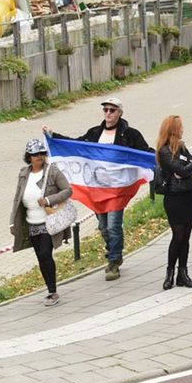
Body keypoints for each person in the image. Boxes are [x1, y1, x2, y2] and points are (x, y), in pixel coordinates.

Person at [45, 97, 151, 281]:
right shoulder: (94, 133)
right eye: (106, 110)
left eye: (112, 110)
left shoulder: (130, 134)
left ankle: (113, 262)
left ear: (120, 113)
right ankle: (114, 251)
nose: (108, 113)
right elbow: (75, 146)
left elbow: (143, 151)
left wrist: (161, 156)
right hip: (97, 190)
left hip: (117, 190)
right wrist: (55, 137)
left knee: (113, 225)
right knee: (103, 227)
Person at [9, 138, 72, 307]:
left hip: (48, 221)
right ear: (28, 156)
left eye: (41, 153)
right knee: (40, 257)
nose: (38, 156)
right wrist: (12, 222)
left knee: (45, 253)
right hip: (31, 222)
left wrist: (49, 199)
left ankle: (53, 291)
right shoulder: (24, 173)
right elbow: (17, 198)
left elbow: (67, 190)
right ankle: (50, 288)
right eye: (34, 154)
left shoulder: (53, 171)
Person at [156, 115, 192, 291]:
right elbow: (181, 169)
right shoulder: (164, 150)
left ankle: (183, 272)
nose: (183, 129)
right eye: (180, 126)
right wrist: (187, 168)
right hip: (174, 196)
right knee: (178, 235)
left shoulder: (181, 146)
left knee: (187, 236)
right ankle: (170, 272)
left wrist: (187, 168)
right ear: (174, 128)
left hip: (188, 194)